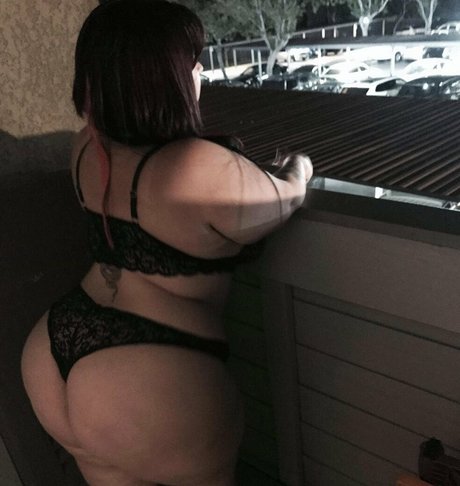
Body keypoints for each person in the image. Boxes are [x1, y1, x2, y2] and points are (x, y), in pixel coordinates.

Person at [21, 1, 313, 485]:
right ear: (166, 76)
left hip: (54, 352)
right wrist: (298, 166)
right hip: (148, 379)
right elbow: (288, 195)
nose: (198, 71)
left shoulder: (86, 145)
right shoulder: (197, 166)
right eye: (191, 61)